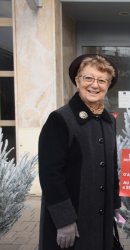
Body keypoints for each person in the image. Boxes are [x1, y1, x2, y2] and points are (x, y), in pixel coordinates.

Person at [38, 54, 123, 249]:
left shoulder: (109, 120)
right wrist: (64, 220)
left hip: (101, 216)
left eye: (102, 80)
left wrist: (115, 203)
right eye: (88, 78)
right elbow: (50, 174)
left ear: (108, 85)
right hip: (73, 220)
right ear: (77, 80)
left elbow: (112, 166)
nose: (95, 85)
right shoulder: (60, 119)